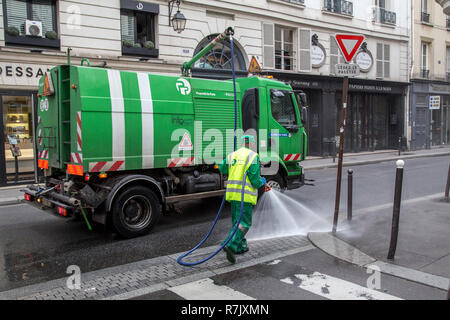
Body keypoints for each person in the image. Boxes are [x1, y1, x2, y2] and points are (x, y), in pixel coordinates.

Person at [218, 135, 268, 264]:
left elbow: (222, 168)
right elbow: (255, 181)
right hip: (244, 196)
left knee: (237, 222)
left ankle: (241, 246)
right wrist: (263, 181)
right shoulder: (253, 156)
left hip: (233, 194)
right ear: (251, 144)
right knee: (245, 223)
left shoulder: (232, 155)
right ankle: (230, 244)